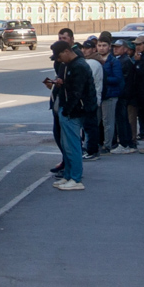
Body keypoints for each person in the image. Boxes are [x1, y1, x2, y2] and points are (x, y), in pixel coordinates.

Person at [52, 39, 96, 190]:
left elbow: (77, 92)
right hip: (73, 109)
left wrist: (67, 109)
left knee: (72, 145)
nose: (58, 60)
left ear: (66, 51)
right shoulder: (71, 65)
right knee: (68, 144)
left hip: (74, 110)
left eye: (58, 56)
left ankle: (75, 178)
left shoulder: (78, 66)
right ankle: (69, 176)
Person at [45, 28, 74, 177]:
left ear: (71, 40)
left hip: (68, 103)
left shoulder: (74, 59)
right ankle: (65, 163)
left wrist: (59, 83)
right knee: (58, 134)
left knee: (68, 138)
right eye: (59, 38)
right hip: (59, 99)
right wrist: (55, 82)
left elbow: (74, 83)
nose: (61, 40)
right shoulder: (60, 57)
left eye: (64, 38)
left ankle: (71, 170)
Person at [100, 36, 125, 154]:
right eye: (99, 45)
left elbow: (117, 78)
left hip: (110, 95)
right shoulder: (95, 60)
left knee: (108, 122)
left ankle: (107, 145)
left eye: (104, 45)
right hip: (98, 94)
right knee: (97, 121)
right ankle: (97, 143)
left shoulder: (113, 61)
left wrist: (103, 79)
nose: (101, 48)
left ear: (109, 47)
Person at [82, 35, 106, 159]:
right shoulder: (92, 61)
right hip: (93, 98)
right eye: (83, 48)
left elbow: (85, 81)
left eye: (87, 48)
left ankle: (92, 150)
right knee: (91, 126)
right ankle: (91, 149)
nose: (84, 50)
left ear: (93, 50)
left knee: (90, 126)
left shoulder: (92, 63)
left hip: (91, 99)